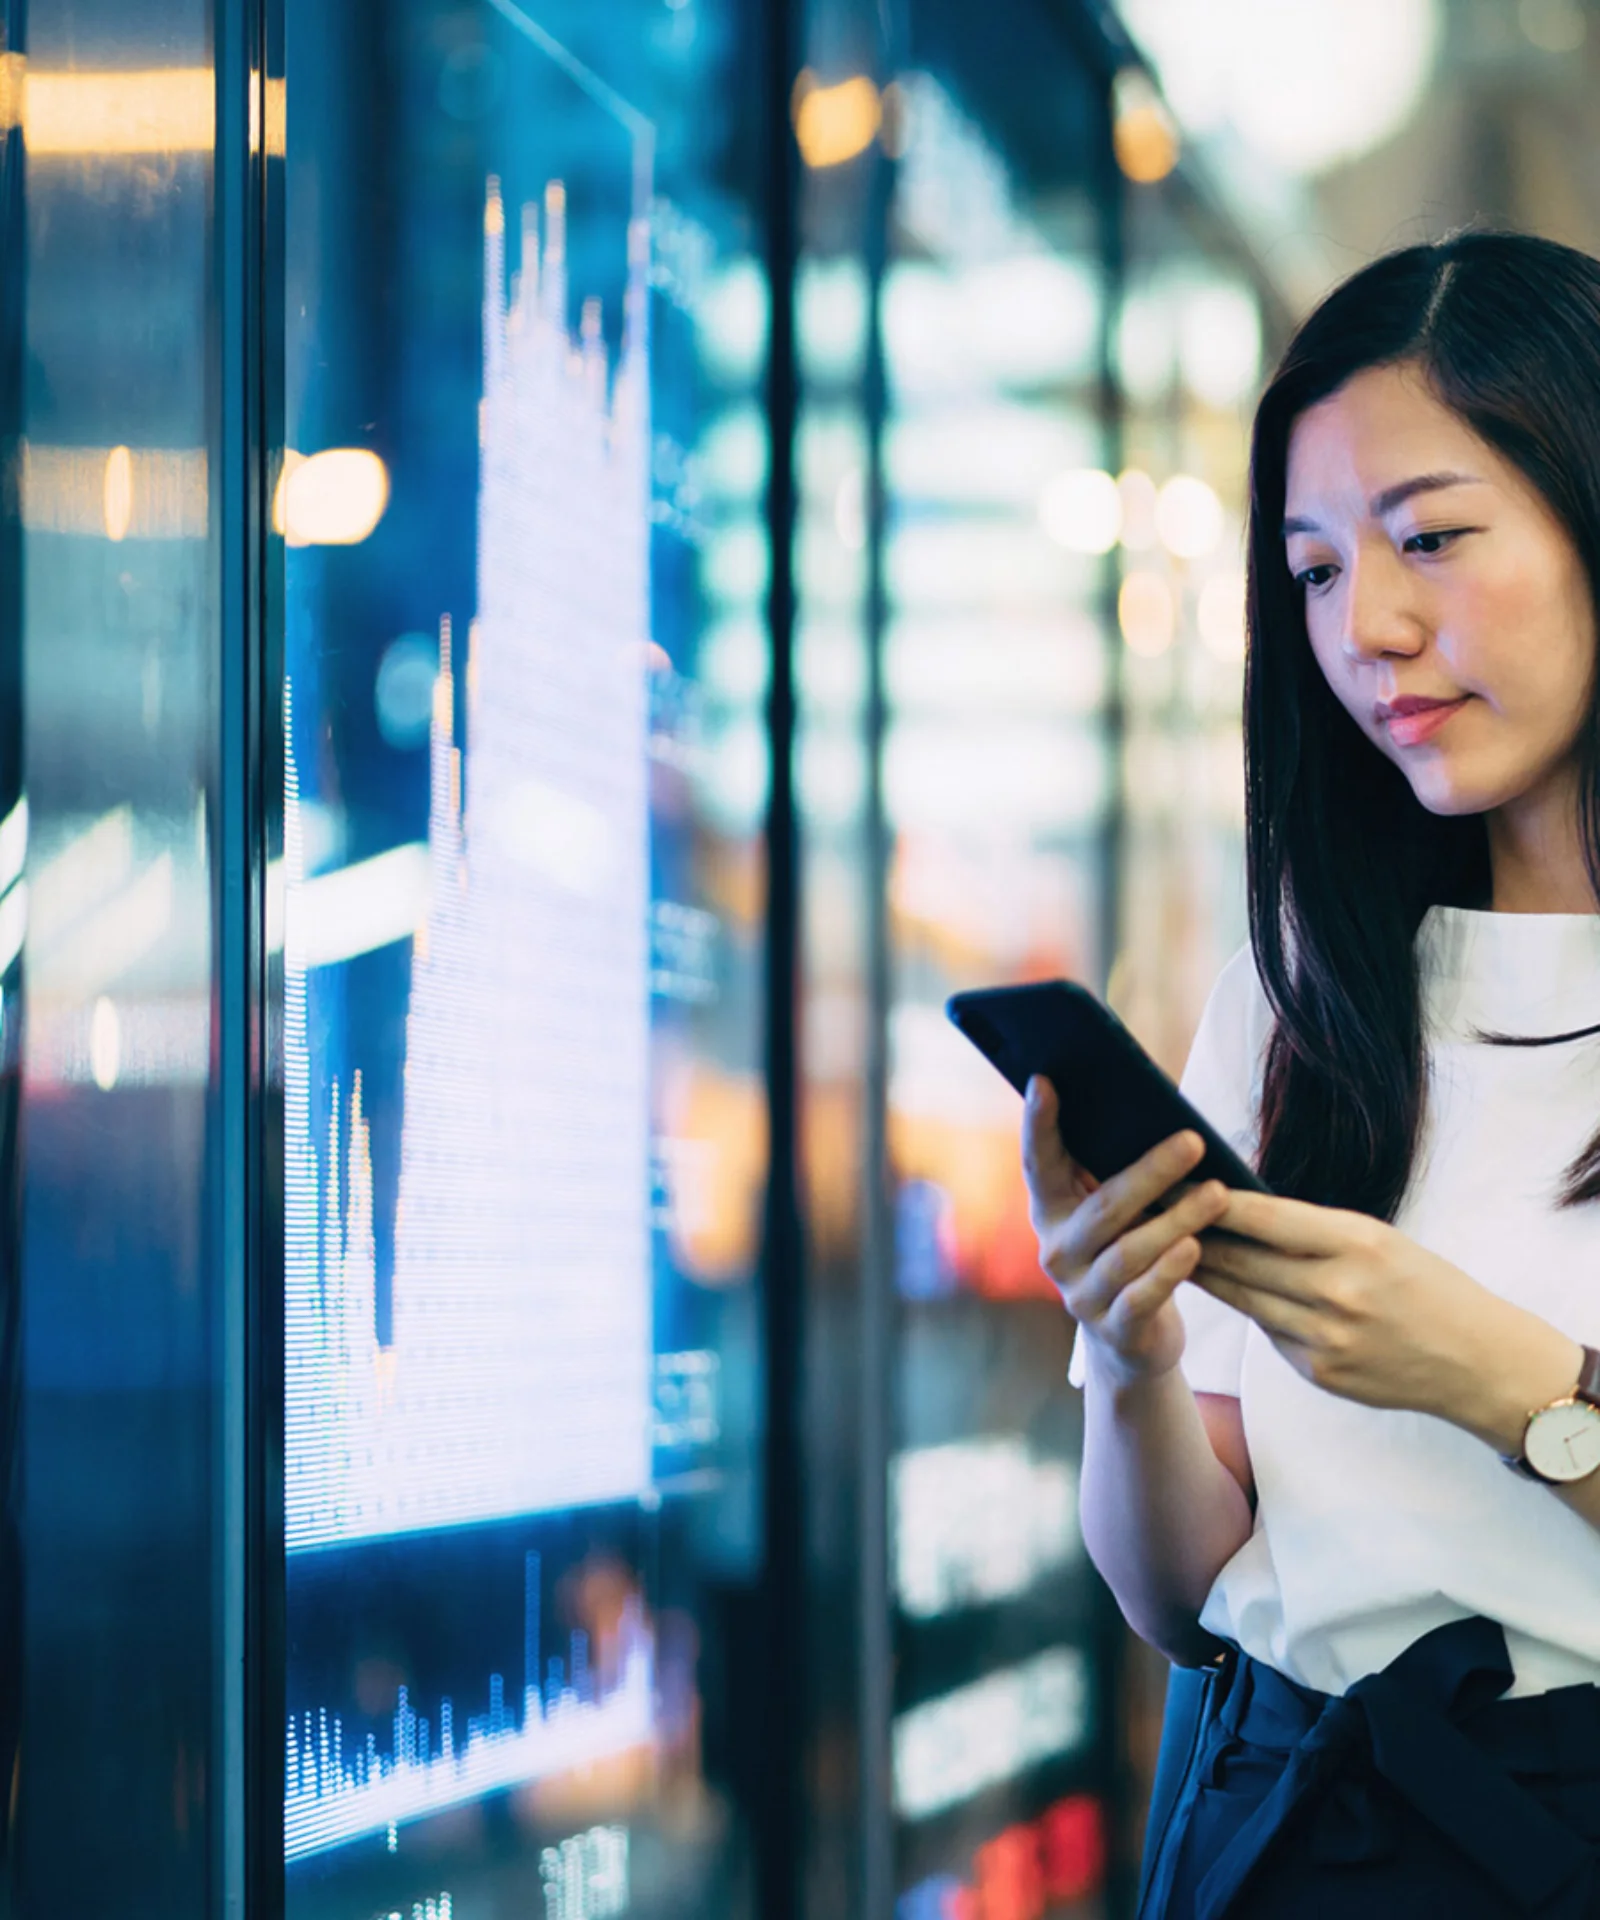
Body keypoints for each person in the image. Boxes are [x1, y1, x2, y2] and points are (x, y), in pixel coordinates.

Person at [1024, 232, 1600, 1918]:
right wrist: (1122, 1344)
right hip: (1284, 1834)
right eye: (1317, 570)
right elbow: (1183, 1592)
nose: (1376, 628)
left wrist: (1509, 1383)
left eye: (1430, 537)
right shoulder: (1294, 1005)